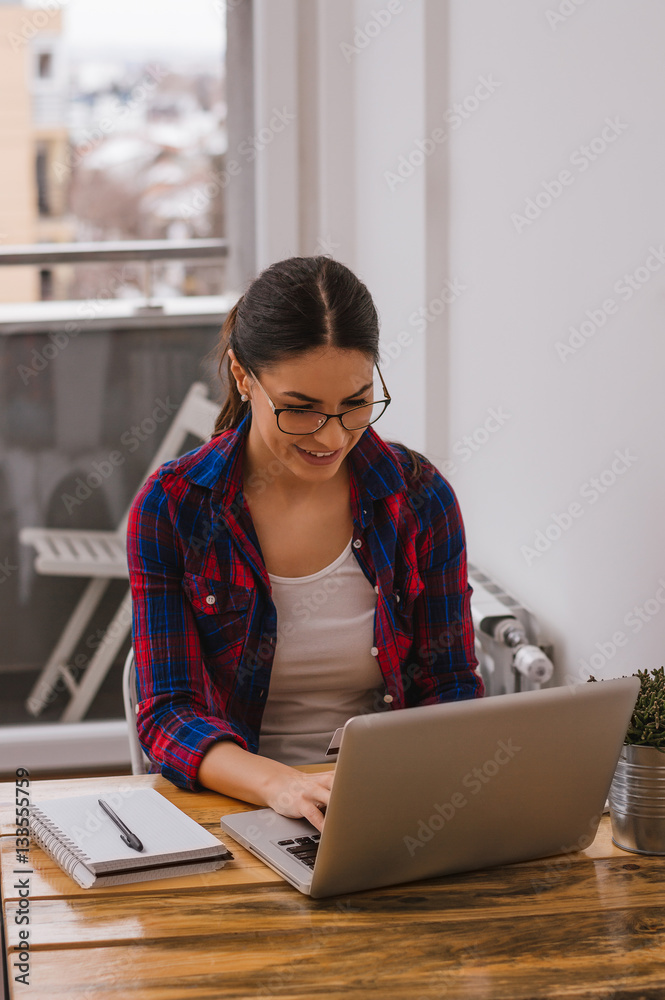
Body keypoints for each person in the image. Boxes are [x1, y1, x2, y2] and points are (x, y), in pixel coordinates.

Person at [126, 255, 483, 833]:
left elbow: (450, 685)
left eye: (355, 404)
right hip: (234, 806)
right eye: (300, 410)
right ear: (244, 378)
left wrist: (396, 783)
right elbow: (167, 716)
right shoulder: (174, 508)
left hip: (388, 801)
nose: (333, 435)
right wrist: (284, 785)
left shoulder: (419, 498)